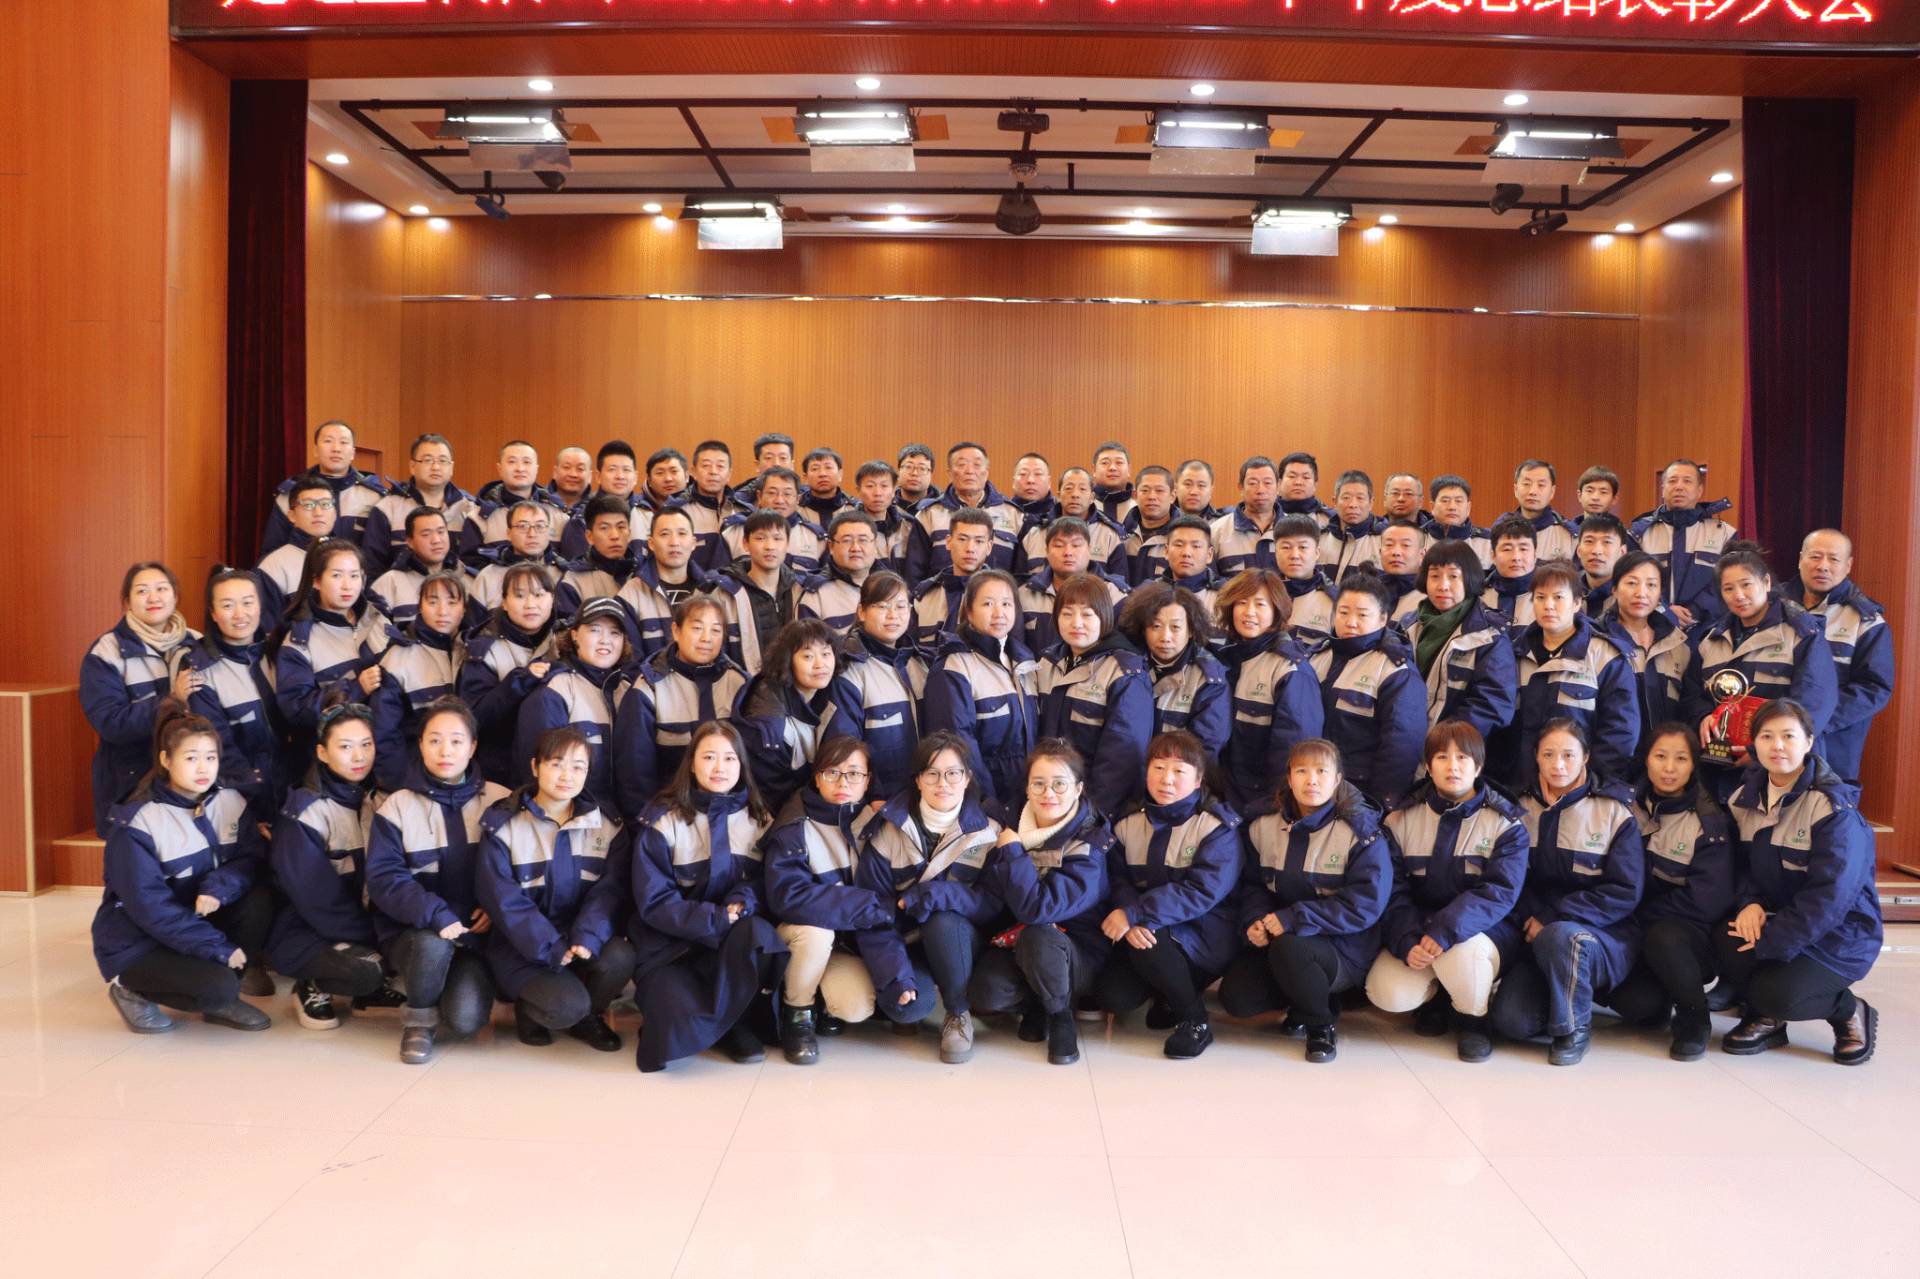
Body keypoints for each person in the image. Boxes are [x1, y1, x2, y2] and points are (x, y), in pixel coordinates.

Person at [1715, 698, 1881, 1065]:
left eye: (1788, 736)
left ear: (1809, 741)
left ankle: (1848, 1010)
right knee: (1726, 940)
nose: (1777, 746)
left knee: (1778, 994)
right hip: (1782, 917)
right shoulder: (1743, 799)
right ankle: (1768, 1018)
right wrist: (1750, 902)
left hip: (1840, 934)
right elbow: (1741, 866)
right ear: (1754, 744)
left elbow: (1831, 896)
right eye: (1766, 736)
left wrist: (1773, 941)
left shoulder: (1832, 806)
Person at [93, 700, 274, 1034]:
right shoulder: (137, 822)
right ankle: (130, 989)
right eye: (191, 759)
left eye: (211, 758)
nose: (203, 768)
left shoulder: (230, 801)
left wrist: (219, 887)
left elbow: (249, 859)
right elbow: (150, 907)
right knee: (216, 985)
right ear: (166, 760)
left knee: (259, 900)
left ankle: (221, 996)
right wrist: (218, 948)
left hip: (192, 924)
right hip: (140, 940)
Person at [629, 720, 787, 1072]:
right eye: (709, 757)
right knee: (670, 1033)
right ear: (691, 764)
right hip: (672, 950)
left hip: (730, 945)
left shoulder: (759, 817)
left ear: (741, 765)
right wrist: (713, 918)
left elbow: (769, 881)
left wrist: (744, 900)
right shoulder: (662, 820)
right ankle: (713, 1020)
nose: (720, 767)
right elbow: (654, 902)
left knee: (761, 936)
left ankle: (734, 1023)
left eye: (729, 758)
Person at [1221, 738, 1391, 1063]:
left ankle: (1320, 1025)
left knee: (1291, 947)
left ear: (1337, 780)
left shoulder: (1361, 831)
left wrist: (1293, 918)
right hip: (1282, 939)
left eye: (1321, 771)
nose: (1311, 780)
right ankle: (1306, 999)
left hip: (1343, 946)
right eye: (1302, 771)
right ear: (1289, 778)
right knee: (1238, 999)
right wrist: (1256, 919)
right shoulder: (1263, 825)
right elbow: (1253, 885)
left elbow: (1364, 906)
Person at [1489, 719, 1645, 1066]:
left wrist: (1552, 916)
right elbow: (1509, 880)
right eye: (1548, 754)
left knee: (1562, 936)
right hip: (1534, 933)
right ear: (1536, 757)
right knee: (1511, 1022)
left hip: (1599, 932)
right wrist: (1531, 919)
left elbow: (1624, 890)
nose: (1558, 764)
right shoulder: (1518, 809)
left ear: (1586, 757)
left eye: (1568, 755)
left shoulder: (1613, 812)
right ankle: (1563, 995)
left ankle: (1573, 1028)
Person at [1368, 722, 1527, 1063]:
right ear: (1428, 766)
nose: (1452, 766)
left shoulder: (1505, 823)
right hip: (1420, 928)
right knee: (1387, 993)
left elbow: (1498, 892)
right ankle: (1438, 1000)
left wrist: (1444, 931)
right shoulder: (1399, 819)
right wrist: (1406, 940)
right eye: (1442, 757)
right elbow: (1391, 891)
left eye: (1462, 758)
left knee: (1460, 956)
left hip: (1484, 931)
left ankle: (1474, 1020)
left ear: (1478, 767)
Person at [365, 698, 510, 1063]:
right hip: (416, 932)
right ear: (420, 745)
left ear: (473, 747)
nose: (445, 750)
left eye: (456, 741)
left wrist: (496, 908)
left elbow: (516, 872)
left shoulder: (500, 800)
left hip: (475, 937)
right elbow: (385, 878)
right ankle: (419, 1020)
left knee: (465, 1020)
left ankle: (439, 982)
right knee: (432, 947)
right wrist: (436, 914)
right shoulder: (397, 805)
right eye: (434, 740)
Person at [476, 726, 634, 1052]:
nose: (567, 776)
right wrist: (549, 944)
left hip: (577, 939)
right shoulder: (504, 824)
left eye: (578, 767)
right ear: (535, 767)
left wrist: (587, 936)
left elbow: (609, 891)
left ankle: (587, 1017)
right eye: (557, 764)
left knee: (620, 957)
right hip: (522, 946)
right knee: (565, 1006)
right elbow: (503, 900)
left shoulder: (607, 825)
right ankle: (531, 1010)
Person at [854, 732, 1005, 1063]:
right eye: (932, 773)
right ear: (918, 780)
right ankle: (919, 989)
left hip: (962, 942)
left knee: (942, 919)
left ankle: (957, 1012)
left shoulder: (989, 831)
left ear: (967, 778)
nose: (943, 783)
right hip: (908, 942)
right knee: (908, 1009)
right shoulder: (887, 830)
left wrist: (934, 893)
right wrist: (897, 975)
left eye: (953, 773)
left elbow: (992, 905)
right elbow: (873, 912)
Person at [1093, 730, 1242, 1059]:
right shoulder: (1128, 823)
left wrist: (1135, 914)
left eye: (1179, 771)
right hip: (1147, 929)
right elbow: (1116, 878)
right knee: (1114, 996)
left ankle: (1195, 1020)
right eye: (1158, 768)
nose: (1167, 779)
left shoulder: (1216, 827)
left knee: (1151, 940)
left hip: (1205, 934)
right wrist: (1128, 913)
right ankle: (1169, 993)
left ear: (1199, 780)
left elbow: (1200, 892)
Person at [969, 741, 1114, 1066]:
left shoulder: (1089, 842)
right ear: (1027, 788)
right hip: (1016, 942)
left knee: (1038, 934)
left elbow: (1038, 910)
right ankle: (1037, 1003)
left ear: (1078, 789)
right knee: (985, 992)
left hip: (1075, 952)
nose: (1048, 793)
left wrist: (1013, 853)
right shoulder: (1008, 825)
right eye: (1039, 783)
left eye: (1060, 784)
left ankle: (1061, 1015)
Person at [269, 699, 404, 1030]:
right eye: (345, 747)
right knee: (367, 969)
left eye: (366, 745)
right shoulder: (305, 812)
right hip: (309, 930)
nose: (359, 757)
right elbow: (318, 900)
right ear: (322, 753)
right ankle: (311, 985)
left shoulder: (381, 799)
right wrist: (377, 938)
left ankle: (367, 991)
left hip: (364, 924)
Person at [1605, 725, 1735, 1061]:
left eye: (1681, 759)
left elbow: (1706, 902)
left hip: (1686, 936)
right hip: (1634, 929)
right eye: (1660, 756)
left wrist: (1639, 919)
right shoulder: (1624, 807)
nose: (1669, 768)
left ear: (1694, 765)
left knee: (1663, 938)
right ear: (1646, 759)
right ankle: (1662, 998)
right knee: (1636, 1004)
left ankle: (1695, 1018)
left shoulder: (1709, 822)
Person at [762, 737, 895, 1063]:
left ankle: (823, 998)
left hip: (849, 944)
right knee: (816, 935)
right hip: (800, 937)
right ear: (817, 777)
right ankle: (797, 1015)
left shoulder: (878, 820)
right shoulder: (796, 824)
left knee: (854, 1006)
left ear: (868, 780)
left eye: (854, 774)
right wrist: (861, 903)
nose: (843, 783)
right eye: (832, 772)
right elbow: (787, 896)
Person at [1679, 544, 1837, 795]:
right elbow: (1691, 694)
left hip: (1782, 768)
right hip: (1720, 767)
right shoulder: (1710, 640)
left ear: (1766, 582)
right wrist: (1703, 717)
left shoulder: (1801, 634)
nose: (1738, 595)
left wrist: (1758, 750)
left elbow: (1813, 704)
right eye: (1728, 589)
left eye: (1746, 585)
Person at [83, 562, 200, 836]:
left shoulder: (197, 643)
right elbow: (110, 723)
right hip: (132, 785)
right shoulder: (106, 652)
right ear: (126, 602)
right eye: (142, 591)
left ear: (175, 596)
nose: (153, 597)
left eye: (161, 589)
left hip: (191, 783)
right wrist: (172, 701)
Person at [1505, 559, 1641, 788]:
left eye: (1558, 597)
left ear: (1577, 603)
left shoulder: (1605, 656)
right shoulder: (1514, 653)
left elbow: (1621, 732)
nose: (1548, 605)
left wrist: (1587, 784)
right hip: (1522, 790)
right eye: (1540, 597)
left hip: (1585, 789)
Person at [612, 596, 750, 820]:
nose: (706, 638)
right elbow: (634, 773)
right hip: (669, 817)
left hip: (732, 815)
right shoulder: (649, 688)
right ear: (676, 631)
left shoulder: (740, 683)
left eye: (716, 630)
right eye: (697, 628)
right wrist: (648, 822)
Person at [1034, 573, 1154, 816]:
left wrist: (1089, 813)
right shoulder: (1046, 662)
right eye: (1067, 614)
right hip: (1048, 798)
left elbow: (1123, 757)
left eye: (1087, 615)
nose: (1076, 623)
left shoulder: (1125, 672)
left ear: (1105, 618)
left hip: (1095, 807)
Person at [1306, 571, 1428, 806]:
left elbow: (1400, 748)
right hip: (1311, 785)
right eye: (1343, 612)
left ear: (1383, 619)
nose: (1351, 622)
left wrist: (1379, 804)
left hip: (1359, 794)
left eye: (1362, 615)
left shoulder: (1396, 671)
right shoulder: (1315, 656)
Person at [922, 569, 1038, 811]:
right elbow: (958, 743)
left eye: (1006, 604)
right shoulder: (954, 666)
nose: (999, 613)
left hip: (1028, 795)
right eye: (988, 604)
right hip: (983, 800)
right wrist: (987, 801)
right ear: (969, 611)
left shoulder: (1025, 661)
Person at [1788, 529, 1893, 787]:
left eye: (1833, 559)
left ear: (1848, 566)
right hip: (1770, 746)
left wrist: (1809, 722)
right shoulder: (1772, 607)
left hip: (1832, 748)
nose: (1823, 566)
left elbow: (1874, 688)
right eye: (1815, 556)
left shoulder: (1866, 620)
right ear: (1800, 559)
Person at [1215, 569, 1324, 814]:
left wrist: (1273, 807)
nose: (1249, 612)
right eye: (1241, 603)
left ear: (1276, 610)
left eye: (1260, 604)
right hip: (1221, 795)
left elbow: (1294, 750)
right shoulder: (1223, 659)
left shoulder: (1290, 669)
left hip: (1262, 803)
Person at [271, 540, 388, 765]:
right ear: (316, 581)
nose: (347, 586)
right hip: (334, 762)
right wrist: (356, 689)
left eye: (354, 576)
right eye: (336, 576)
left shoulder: (378, 617)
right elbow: (296, 711)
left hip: (384, 753)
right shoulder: (299, 642)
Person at [184, 568, 285, 822]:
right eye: (228, 605)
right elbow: (220, 748)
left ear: (260, 606)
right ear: (213, 613)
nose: (240, 614)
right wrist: (253, 811)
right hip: (243, 803)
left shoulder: (282, 651)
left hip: (295, 794)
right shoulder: (199, 669)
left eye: (248, 603)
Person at [513, 597, 630, 806]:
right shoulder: (553, 691)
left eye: (615, 633)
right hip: (571, 815)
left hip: (621, 819)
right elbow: (535, 775)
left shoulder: (628, 691)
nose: (605, 640)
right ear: (575, 634)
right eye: (595, 630)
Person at [1404, 540, 1517, 744]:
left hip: (1455, 752)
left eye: (1453, 576)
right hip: (1404, 744)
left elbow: (1493, 705)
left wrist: (1443, 742)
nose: (1443, 585)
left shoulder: (1490, 635)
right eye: (1435, 576)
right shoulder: (1407, 626)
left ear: (1469, 579)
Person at [826, 572, 926, 800]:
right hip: (880, 800)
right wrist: (872, 795)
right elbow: (844, 747)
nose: (893, 615)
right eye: (882, 606)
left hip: (927, 795)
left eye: (901, 606)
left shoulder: (921, 663)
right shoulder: (849, 670)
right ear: (861, 611)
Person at [458, 563, 559, 786]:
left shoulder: (563, 641)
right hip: (500, 774)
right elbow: (473, 718)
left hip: (557, 770)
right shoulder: (484, 650)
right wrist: (518, 682)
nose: (530, 604)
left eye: (539, 595)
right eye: (520, 596)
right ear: (504, 602)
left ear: (552, 599)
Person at [369, 571, 468, 792]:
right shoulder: (398, 658)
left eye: (452, 602)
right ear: (420, 607)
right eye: (433, 602)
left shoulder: (472, 651)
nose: (443, 611)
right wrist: (403, 786)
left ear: (464, 609)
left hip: (464, 781)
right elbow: (384, 733)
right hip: (416, 782)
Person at [736, 618, 842, 815]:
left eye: (826, 654)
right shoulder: (768, 724)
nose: (820, 664)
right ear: (787, 661)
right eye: (808, 656)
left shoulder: (829, 692)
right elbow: (775, 796)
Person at [1596, 550, 1690, 758]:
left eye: (1651, 585)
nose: (1641, 593)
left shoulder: (1678, 645)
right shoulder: (1596, 642)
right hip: (1611, 764)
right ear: (1614, 589)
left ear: (1660, 594)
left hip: (1665, 766)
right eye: (1632, 583)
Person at [1119, 581, 1229, 757]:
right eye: (1156, 626)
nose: (1165, 637)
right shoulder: (1124, 666)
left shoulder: (1209, 681)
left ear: (1191, 630)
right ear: (1144, 629)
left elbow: (1205, 752)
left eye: (1175, 627)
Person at [1630, 459, 1738, 625]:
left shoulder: (1724, 533)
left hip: (1708, 627)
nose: (1679, 487)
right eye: (1672, 481)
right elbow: (1631, 579)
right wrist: (1664, 609)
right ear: (1663, 489)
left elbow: (1730, 579)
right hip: (1653, 624)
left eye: (1687, 481)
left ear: (1699, 490)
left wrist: (1694, 611)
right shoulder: (1639, 533)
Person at [259, 420, 389, 557]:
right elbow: (272, 551)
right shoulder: (291, 494)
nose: (336, 448)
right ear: (316, 450)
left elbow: (380, 555)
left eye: (343, 442)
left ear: (353, 453)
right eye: (328, 441)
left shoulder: (374, 496)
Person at [710, 509, 813, 675]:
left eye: (777, 538)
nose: (769, 546)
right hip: (745, 686)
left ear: (788, 544)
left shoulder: (802, 590)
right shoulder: (725, 595)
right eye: (760, 538)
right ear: (745, 543)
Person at [905, 441, 1023, 582]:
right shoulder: (929, 514)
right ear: (950, 473)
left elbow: (1021, 574)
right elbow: (914, 573)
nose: (969, 471)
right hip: (942, 594)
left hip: (997, 595)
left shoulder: (1013, 513)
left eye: (976, 465)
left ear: (986, 473)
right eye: (961, 465)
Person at [361, 433, 475, 576]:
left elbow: (474, 566)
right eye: (427, 460)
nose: (436, 467)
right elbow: (372, 567)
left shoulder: (469, 509)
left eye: (442, 461)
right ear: (412, 466)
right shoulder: (388, 508)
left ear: (451, 467)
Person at [1016, 516, 1127, 654]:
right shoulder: (1023, 595)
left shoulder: (1113, 595)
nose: (1068, 552)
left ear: (1089, 549)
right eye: (1059, 545)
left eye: (1076, 545)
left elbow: (1123, 650)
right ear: (1047, 551)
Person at [615, 505, 709, 660]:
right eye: (665, 534)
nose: (674, 542)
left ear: (693, 543)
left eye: (682, 533)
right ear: (651, 543)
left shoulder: (710, 590)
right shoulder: (631, 595)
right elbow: (631, 661)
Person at [460, 440, 563, 568]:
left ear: (536, 469)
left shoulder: (559, 515)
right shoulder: (478, 517)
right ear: (499, 468)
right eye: (512, 462)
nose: (520, 468)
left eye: (526, 462)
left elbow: (568, 566)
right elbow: (470, 566)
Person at [713, 467, 826, 577]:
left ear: (797, 499)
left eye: (787, 494)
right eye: (772, 493)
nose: (779, 500)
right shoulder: (735, 532)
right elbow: (719, 577)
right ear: (759, 496)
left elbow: (824, 581)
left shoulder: (816, 537)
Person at [367, 507, 469, 630]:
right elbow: (373, 633)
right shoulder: (389, 583)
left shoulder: (467, 578)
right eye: (426, 534)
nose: (436, 540)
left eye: (441, 532)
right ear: (409, 541)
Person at [256, 475, 339, 622]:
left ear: (335, 513)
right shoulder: (273, 566)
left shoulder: (350, 559)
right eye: (308, 505)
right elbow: (268, 628)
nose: (318, 512)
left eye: (325, 504)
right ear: (292, 515)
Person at [911, 506, 997, 647]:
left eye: (979, 541)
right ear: (948, 542)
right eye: (962, 539)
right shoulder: (924, 594)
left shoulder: (1003, 596)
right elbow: (910, 649)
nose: (970, 548)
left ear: (989, 547)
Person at [1019, 468, 1126, 580]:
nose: (1075, 494)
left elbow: (1119, 584)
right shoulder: (1034, 533)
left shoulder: (1110, 536)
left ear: (1092, 497)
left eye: (1082, 489)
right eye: (1069, 488)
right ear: (1059, 495)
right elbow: (1021, 582)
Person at [469, 500, 567, 613]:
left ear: (549, 532)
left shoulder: (563, 575)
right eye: (523, 526)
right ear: (509, 533)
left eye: (540, 526)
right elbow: (475, 622)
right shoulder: (488, 576)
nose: (532, 534)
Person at [554, 494, 636, 619]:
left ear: (629, 533)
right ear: (589, 537)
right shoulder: (573, 581)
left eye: (621, 527)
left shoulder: (642, 574)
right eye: (604, 528)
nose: (615, 535)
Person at [798, 510, 878, 635]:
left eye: (863, 540)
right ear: (831, 547)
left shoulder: (891, 587)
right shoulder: (816, 595)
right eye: (846, 541)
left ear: (875, 545)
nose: (855, 548)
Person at [1209, 455, 1280, 576]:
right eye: (1253, 483)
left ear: (1278, 487)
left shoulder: (1294, 529)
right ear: (1241, 487)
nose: (1260, 490)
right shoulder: (1217, 531)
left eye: (1267, 483)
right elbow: (1211, 581)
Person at [1273, 515, 1336, 645]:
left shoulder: (1335, 601)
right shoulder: (1262, 594)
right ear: (1275, 552)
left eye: (1303, 547)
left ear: (1317, 553)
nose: (1294, 555)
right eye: (1286, 547)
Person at [1503, 459, 1577, 562]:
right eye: (1526, 484)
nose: (1533, 491)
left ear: (1552, 492)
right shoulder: (1501, 530)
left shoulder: (1569, 535)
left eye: (1541, 485)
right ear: (1515, 489)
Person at [1318, 469, 1385, 581]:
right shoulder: (1318, 540)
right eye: (1346, 498)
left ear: (1371, 503)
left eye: (1360, 498)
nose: (1353, 505)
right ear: (1334, 501)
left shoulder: (1384, 542)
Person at [1482, 516, 1539, 644]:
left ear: (1535, 555)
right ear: (1493, 555)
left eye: (1523, 549)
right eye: (1507, 549)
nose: (1516, 557)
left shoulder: (1551, 596)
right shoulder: (1477, 596)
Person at [852, 459, 914, 574]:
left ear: (894, 490)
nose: (877, 493)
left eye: (884, 486)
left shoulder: (909, 525)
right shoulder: (847, 527)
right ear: (858, 491)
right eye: (870, 486)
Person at [1120, 465, 1176, 585]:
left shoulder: (1182, 537)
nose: (1151, 497)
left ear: (1172, 496)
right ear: (1135, 495)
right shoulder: (1121, 535)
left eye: (1159, 491)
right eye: (1145, 491)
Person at [684, 439, 736, 563]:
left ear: (729, 474)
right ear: (693, 471)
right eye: (706, 465)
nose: (713, 472)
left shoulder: (743, 512)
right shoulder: (678, 512)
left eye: (720, 466)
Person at [1427, 474, 1492, 570]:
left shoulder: (1488, 542)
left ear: (1468, 508)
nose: (1452, 507)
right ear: (1432, 507)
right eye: (1445, 501)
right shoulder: (1418, 539)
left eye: (1458, 501)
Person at [1574, 513, 1631, 618]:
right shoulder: (1567, 588)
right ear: (1579, 550)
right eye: (1589, 541)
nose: (1597, 551)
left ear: (1622, 552)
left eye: (1607, 542)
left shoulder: (1632, 594)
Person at [1376, 518, 1428, 623]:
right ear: (1380, 552)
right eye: (1389, 545)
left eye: (1406, 545)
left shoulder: (1429, 598)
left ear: (1422, 555)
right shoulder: (1367, 592)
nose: (1396, 552)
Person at [799, 446, 853, 526]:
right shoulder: (794, 508)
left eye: (828, 467)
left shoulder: (854, 509)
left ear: (840, 474)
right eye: (815, 469)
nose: (822, 474)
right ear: (805, 477)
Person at [1091, 440, 1137, 523]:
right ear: (1094, 470)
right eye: (1105, 463)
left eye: (1119, 462)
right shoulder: (1083, 505)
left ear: (1129, 470)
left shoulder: (1140, 506)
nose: (1112, 468)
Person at [1009, 452, 1057, 529]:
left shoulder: (1060, 512)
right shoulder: (1002, 513)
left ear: (1049, 482)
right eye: (1023, 474)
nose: (1030, 480)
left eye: (1038, 474)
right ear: (1013, 482)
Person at [894, 443, 936, 510]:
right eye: (908, 467)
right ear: (899, 471)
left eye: (922, 468)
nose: (915, 473)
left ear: (931, 474)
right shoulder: (885, 505)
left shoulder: (944, 508)